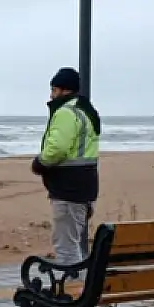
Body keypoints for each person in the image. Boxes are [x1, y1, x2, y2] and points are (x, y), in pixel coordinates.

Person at [31, 67, 101, 278]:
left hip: (68, 189)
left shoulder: (65, 113)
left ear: (62, 90)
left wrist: (39, 163)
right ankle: (79, 288)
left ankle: (72, 294)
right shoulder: (85, 111)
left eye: (53, 89)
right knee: (74, 243)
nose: (51, 95)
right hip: (85, 186)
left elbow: (58, 148)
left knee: (66, 248)